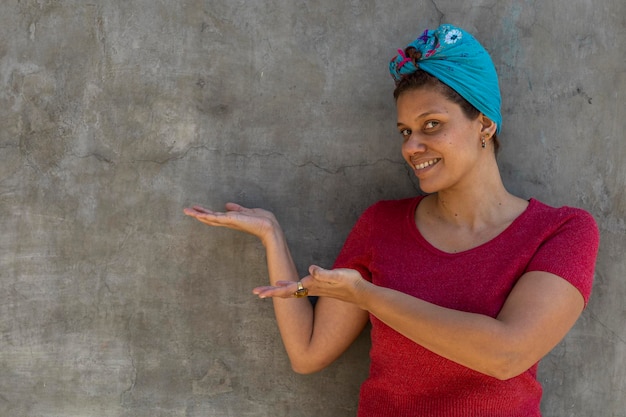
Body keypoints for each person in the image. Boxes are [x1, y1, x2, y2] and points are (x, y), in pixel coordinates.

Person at [184, 24, 599, 417]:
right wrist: (273, 237)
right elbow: (309, 353)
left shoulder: (562, 232)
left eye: (431, 125)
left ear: (485, 124)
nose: (412, 147)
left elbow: (506, 354)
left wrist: (367, 296)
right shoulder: (381, 225)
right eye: (404, 131)